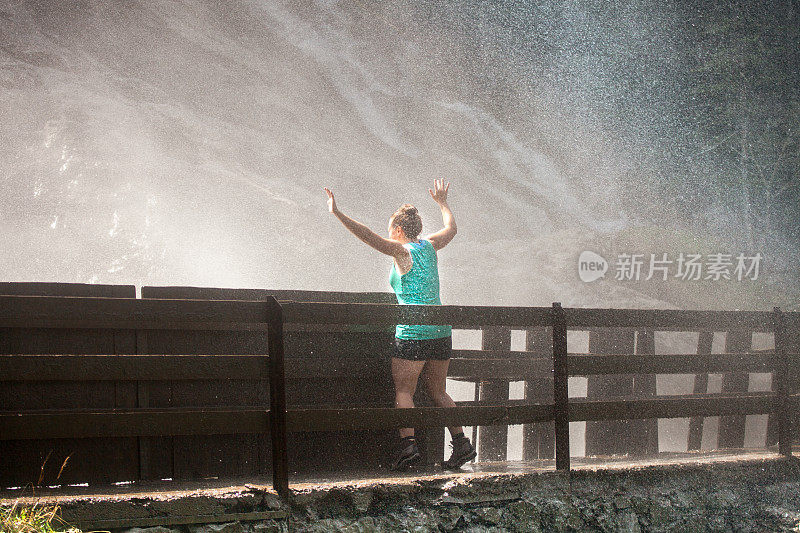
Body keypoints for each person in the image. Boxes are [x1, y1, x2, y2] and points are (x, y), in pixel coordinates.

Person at [323, 179, 477, 471]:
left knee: (404, 391)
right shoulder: (430, 246)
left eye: (389, 228)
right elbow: (452, 229)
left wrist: (338, 213)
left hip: (414, 329)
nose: (387, 234)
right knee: (439, 391)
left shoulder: (401, 252)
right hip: (441, 328)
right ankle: (462, 444)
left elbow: (368, 236)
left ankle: (408, 448)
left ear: (398, 230)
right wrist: (443, 203)